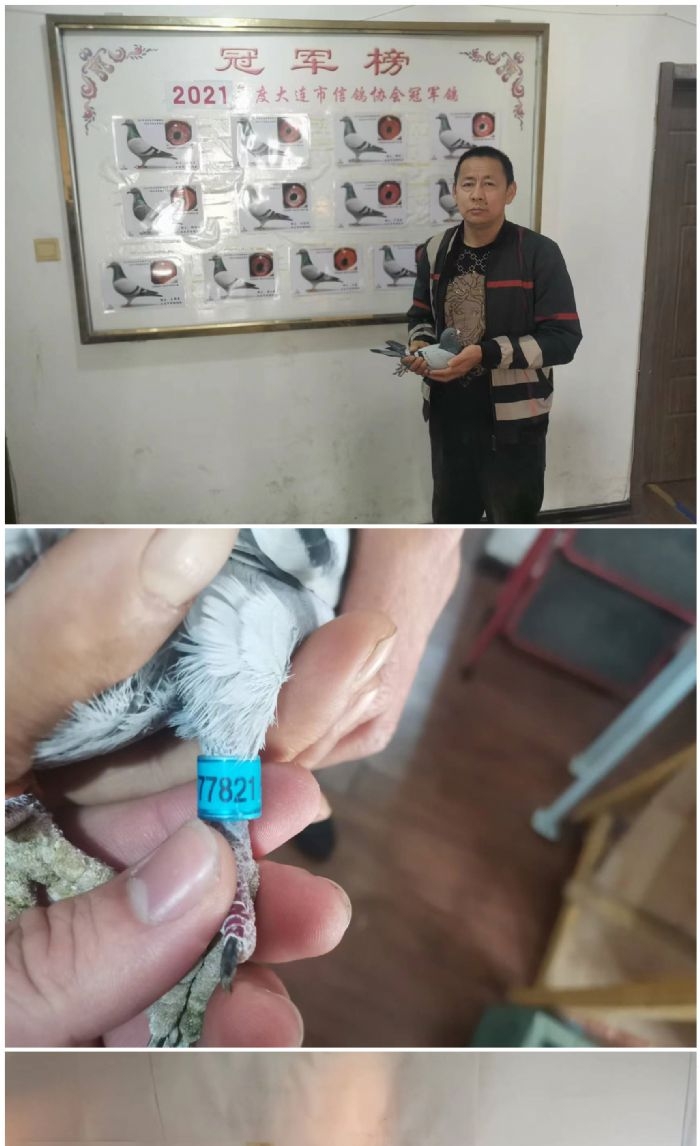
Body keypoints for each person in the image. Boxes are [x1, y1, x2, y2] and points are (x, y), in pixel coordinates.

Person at [6, 527, 463, 1047]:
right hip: (180, 705)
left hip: (250, 609)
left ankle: (286, 805)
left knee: (290, 753)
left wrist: (416, 530)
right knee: (284, 760)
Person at [405, 147, 582, 525]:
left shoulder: (538, 253)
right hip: (449, 416)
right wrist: (419, 345)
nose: (477, 194)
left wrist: (485, 354)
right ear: (454, 191)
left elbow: (563, 339)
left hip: (515, 423)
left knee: (512, 522)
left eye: (489, 184)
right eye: (468, 184)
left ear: (510, 191)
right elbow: (421, 316)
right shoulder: (435, 250)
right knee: (452, 522)